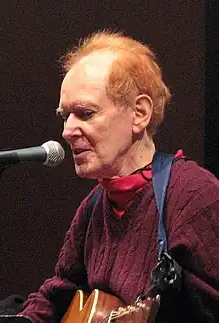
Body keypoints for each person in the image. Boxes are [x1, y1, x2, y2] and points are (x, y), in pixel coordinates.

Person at [19, 31, 219, 322]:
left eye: (85, 113)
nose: (67, 131)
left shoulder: (193, 194)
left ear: (140, 113)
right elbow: (59, 292)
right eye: (65, 115)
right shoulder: (95, 205)